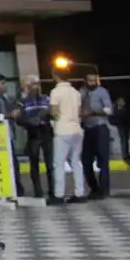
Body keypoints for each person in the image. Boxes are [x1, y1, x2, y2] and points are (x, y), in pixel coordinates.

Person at [49, 70, 87, 204]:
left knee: (59, 163)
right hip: (77, 130)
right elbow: (80, 111)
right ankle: (80, 193)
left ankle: (59, 195)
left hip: (63, 130)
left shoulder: (56, 92)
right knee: (76, 162)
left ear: (55, 76)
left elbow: (53, 112)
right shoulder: (75, 92)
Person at [0, 74, 24, 197]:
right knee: (11, 165)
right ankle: (13, 190)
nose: (5, 86)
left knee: (14, 165)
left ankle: (16, 190)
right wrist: (9, 115)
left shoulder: (4, 98)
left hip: (8, 135)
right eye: (2, 84)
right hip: (1, 138)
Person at [19, 76, 55, 199]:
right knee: (34, 164)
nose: (36, 87)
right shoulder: (23, 102)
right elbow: (19, 118)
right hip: (33, 133)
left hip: (46, 131)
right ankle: (38, 191)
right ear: (28, 87)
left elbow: (53, 113)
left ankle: (53, 190)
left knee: (50, 163)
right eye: (33, 84)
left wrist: (46, 114)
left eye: (37, 84)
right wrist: (29, 121)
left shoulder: (46, 98)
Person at [80, 74, 113, 198]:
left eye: (94, 80)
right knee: (86, 160)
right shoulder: (82, 92)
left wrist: (93, 112)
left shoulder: (102, 92)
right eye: (89, 80)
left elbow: (109, 110)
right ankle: (94, 188)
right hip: (87, 129)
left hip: (100, 128)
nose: (91, 83)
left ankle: (104, 190)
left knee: (103, 160)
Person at [110, 97, 130, 166]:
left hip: (126, 127)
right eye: (121, 101)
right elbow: (112, 119)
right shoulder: (116, 110)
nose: (123, 102)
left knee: (126, 141)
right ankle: (125, 156)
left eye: (123, 101)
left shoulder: (125, 110)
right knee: (124, 141)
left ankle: (126, 155)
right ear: (118, 102)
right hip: (121, 127)